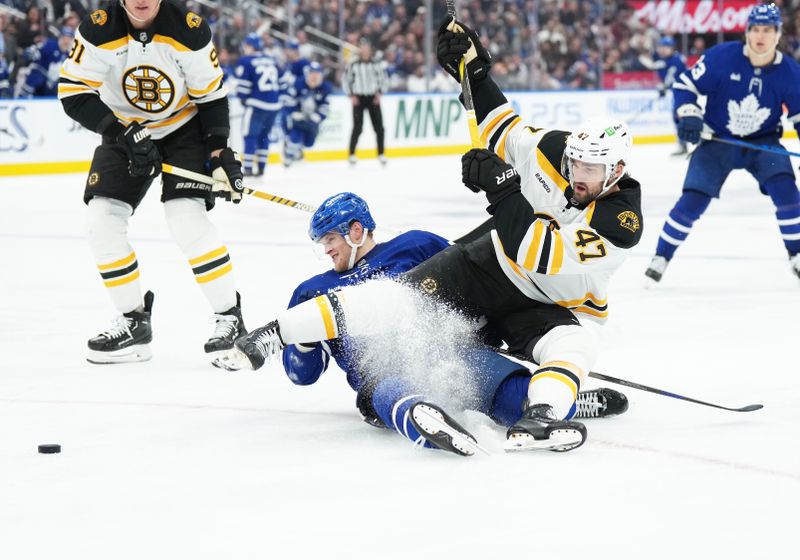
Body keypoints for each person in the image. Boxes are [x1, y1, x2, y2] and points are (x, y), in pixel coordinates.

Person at [216, 19, 643, 455]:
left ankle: (544, 412)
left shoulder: (620, 224)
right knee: (394, 300)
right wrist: (474, 75)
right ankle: (272, 334)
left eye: (589, 169)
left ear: (616, 172)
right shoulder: (556, 150)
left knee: (576, 344)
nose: (575, 172)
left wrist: (503, 188)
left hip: (554, 301)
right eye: (573, 161)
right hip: (492, 269)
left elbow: (538, 252)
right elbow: (502, 129)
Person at [242, 192, 628, 456]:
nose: (326, 250)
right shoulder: (313, 291)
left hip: (452, 351)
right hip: (381, 369)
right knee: (389, 386)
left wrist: (492, 329)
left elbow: (473, 283)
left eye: (329, 238)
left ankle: (563, 403)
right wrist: (307, 343)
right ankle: (421, 418)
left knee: (511, 396)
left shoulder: (416, 244)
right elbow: (302, 376)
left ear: (356, 230)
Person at [57, 0, 246, 363]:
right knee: (102, 222)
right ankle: (134, 321)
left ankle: (230, 317)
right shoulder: (98, 29)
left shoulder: (189, 30)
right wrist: (121, 132)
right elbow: (73, 91)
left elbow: (211, 97)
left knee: (185, 218)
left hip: (183, 129)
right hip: (123, 129)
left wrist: (220, 154)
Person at [645, 3, 800, 283]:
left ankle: (797, 254)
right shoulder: (722, 57)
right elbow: (684, 85)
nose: (760, 36)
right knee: (692, 201)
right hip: (718, 140)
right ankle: (662, 256)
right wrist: (689, 114)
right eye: (755, 29)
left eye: (767, 30)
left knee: (787, 193)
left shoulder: (790, 72)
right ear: (747, 31)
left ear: (778, 34)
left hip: (763, 143)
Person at [234, 33, 283, 177]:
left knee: (250, 135)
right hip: (274, 105)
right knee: (264, 136)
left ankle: (248, 168)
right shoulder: (271, 59)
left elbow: (243, 86)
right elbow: (284, 80)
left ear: (250, 46)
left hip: (257, 104)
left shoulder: (246, 60)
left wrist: (243, 99)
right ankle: (262, 167)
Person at [638, 36, 688, 155]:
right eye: (661, 47)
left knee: (680, 117)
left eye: (666, 47)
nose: (663, 50)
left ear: (672, 48)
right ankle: (683, 144)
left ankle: (687, 144)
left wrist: (664, 87)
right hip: (678, 93)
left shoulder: (676, 60)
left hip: (684, 93)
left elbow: (671, 77)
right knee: (678, 118)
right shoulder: (665, 61)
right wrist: (663, 87)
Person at [342, 40, 388, 165]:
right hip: (359, 98)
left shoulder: (376, 63)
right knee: (357, 127)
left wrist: (380, 93)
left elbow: (384, 79)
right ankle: (351, 154)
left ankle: (381, 153)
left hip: (373, 98)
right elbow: (346, 80)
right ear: (360, 49)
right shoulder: (353, 64)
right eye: (363, 47)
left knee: (379, 128)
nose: (365, 50)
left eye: (367, 47)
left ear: (370, 49)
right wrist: (351, 95)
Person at [281, 61, 331, 167]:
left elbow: (325, 107)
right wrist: (294, 112)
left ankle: (298, 148)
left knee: (309, 143)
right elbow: (288, 100)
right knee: (295, 134)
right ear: (307, 74)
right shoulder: (298, 83)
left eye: (317, 74)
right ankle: (289, 153)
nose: (314, 76)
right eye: (312, 73)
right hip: (297, 117)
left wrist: (318, 116)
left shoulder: (325, 88)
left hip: (312, 119)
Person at [19, 27, 74, 97]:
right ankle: (23, 98)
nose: (66, 41)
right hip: (40, 76)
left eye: (69, 39)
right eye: (64, 38)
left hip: (51, 84)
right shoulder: (50, 45)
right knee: (36, 77)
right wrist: (33, 52)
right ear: (60, 38)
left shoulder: (68, 55)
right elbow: (37, 50)